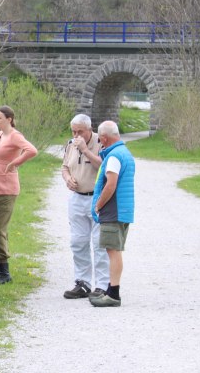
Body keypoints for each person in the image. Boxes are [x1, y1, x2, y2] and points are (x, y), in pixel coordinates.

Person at [0, 106, 38, 284]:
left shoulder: (14, 135)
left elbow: (31, 150)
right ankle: (1, 268)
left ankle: (4, 271)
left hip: (5, 188)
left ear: (9, 119)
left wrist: (15, 162)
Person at [61, 114, 109, 300]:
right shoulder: (70, 144)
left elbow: (104, 166)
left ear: (90, 129)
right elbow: (65, 166)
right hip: (77, 198)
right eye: (73, 131)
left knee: (99, 243)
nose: (76, 135)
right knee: (78, 242)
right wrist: (67, 179)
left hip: (97, 199)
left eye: (80, 131)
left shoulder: (101, 143)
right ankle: (82, 282)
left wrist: (86, 150)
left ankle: (102, 285)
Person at [90, 121, 135, 307]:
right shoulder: (125, 153)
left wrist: (98, 205)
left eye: (100, 137)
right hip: (124, 209)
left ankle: (114, 294)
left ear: (104, 138)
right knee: (114, 250)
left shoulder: (114, 157)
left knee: (113, 251)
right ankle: (110, 289)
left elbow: (111, 184)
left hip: (113, 210)